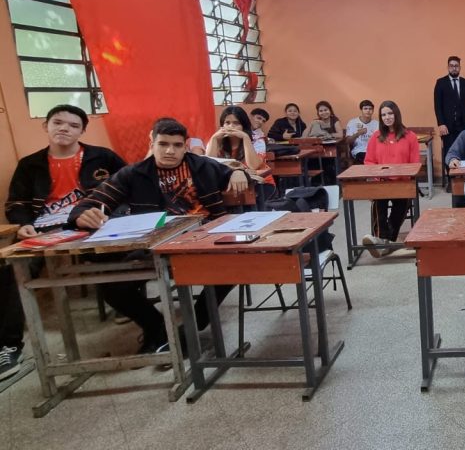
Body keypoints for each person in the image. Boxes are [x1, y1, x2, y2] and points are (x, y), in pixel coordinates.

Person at [70, 118, 249, 354]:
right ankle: (160, 330)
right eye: (163, 144)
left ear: (185, 145)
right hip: (153, 245)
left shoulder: (202, 166)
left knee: (232, 267)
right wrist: (82, 215)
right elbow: (91, 203)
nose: (169, 151)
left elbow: (232, 170)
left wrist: (237, 172)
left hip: (204, 239)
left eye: (177, 145)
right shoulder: (133, 174)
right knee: (113, 288)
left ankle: (193, 326)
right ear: (152, 142)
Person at [2, 105, 125, 379]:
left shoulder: (102, 157)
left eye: (72, 125)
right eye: (57, 122)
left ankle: (126, 303)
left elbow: (129, 186)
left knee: (124, 253)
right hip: (46, 230)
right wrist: (23, 224)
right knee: (13, 270)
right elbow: (16, 203)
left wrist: (111, 215)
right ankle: (9, 345)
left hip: (95, 225)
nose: (64, 129)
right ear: (45, 126)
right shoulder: (29, 165)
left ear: (82, 130)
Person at [361, 101, 420, 258]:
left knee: (402, 204)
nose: (387, 117)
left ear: (396, 114)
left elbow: (415, 163)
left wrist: (405, 177)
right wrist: (376, 177)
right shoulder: (376, 137)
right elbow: (369, 161)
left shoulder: (410, 137)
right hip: (382, 182)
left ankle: (384, 241)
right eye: (383, 115)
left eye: (390, 113)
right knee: (378, 201)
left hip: (402, 183)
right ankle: (381, 240)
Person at [206, 106, 274, 193]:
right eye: (227, 123)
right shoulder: (216, 140)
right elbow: (208, 166)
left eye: (236, 123)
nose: (231, 126)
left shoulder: (258, 141)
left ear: (244, 126)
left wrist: (245, 137)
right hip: (230, 183)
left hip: (260, 184)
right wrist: (214, 139)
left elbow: (253, 166)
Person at [434, 56, 465, 191]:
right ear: (448, 67)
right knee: (449, 152)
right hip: (448, 126)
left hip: (463, 125)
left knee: (463, 151)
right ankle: (451, 181)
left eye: (456, 65)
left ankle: (462, 180)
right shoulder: (440, 83)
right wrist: (441, 123)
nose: (454, 68)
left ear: (460, 67)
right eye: (451, 65)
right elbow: (437, 106)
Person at [345, 100, 378, 164]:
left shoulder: (377, 124)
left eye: (370, 109)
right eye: (365, 109)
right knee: (364, 158)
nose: (368, 111)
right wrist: (358, 133)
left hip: (374, 151)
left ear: (373, 111)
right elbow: (347, 141)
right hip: (359, 151)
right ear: (361, 110)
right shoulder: (352, 122)